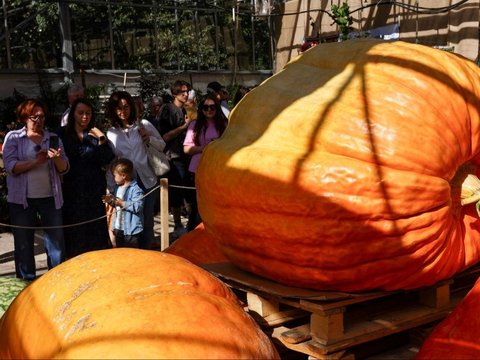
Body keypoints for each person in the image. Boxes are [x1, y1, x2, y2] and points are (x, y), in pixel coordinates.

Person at [2, 99, 69, 280]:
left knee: (56, 244)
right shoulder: (14, 137)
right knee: (23, 244)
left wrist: (56, 159)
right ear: (25, 117)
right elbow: (11, 167)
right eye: (34, 117)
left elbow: (64, 168)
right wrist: (36, 162)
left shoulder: (53, 138)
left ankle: (56, 281)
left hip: (50, 197)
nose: (38, 120)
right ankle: (27, 284)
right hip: (22, 200)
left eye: (41, 116)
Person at [106, 90, 166, 250]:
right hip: (126, 183)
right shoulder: (111, 133)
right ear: (113, 110)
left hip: (147, 179)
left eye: (126, 107)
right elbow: (112, 160)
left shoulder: (143, 124)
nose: (122, 111)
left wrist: (148, 138)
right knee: (128, 221)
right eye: (118, 108)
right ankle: (132, 255)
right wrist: (111, 186)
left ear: (131, 107)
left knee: (146, 221)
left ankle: (146, 252)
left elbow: (162, 145)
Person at [57, 98, 114, 258]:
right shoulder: (62, 133)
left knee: (94, 228)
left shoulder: (95, 134)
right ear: (73, 114)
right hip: (70, 188)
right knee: (74, 228)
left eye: (88, 113)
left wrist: (102, 138)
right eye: (80, 113)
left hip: (93, 188)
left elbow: (106, 158)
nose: (84, 117)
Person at [183, 94, 227, 231]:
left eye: (212, 107)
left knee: (215, 206)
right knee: (198, 207)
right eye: (205, 107)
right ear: (201, 109)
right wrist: (204, 148)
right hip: (197, 170)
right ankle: (193, 234)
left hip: (218, 170)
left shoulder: (224, 124)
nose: (209, 110)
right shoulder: (194, 125)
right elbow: (186, 149)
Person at [157, 80, 193, 233]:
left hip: (186, 154)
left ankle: (189, 222)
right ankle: (178, 223)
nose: (185, 94)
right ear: (174, 94)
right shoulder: (168, 109)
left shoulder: (186, 110)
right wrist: (183, 127)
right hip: (173, 156)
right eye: (182, 92)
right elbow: (164, 136)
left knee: (188, 189)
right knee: (177, 191)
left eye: (187, 91)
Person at [103, 158, 144, 248]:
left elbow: (138, 206)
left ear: (123, 175)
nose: (113, 178)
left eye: (114, 176)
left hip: (131, 230)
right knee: (121, 252)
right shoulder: (118, 188)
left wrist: (122, 203)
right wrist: (110, 201)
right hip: (119, 227)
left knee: (131, 253)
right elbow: (117, 205)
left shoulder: (136, 189)